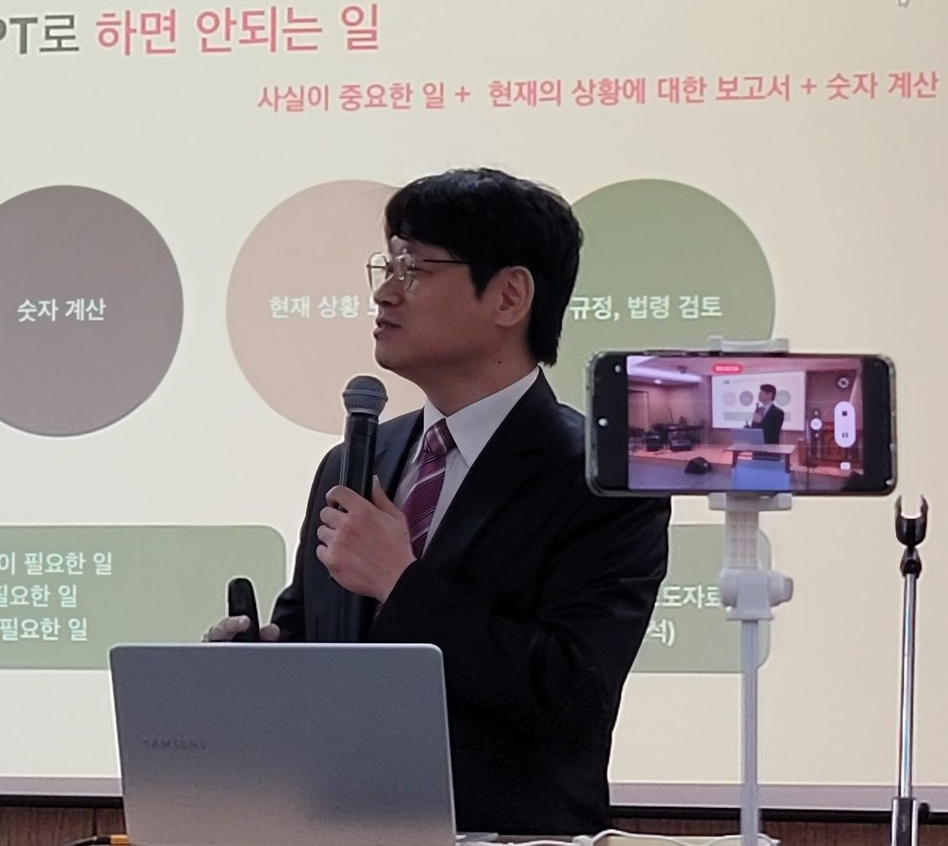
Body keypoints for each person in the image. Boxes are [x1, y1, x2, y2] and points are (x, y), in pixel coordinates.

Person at [205, 168, 670, 836]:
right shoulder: (354, 461)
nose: (385, 292)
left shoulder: (599, 477)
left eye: (415, 269)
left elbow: (573, 693)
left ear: (509, 295)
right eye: (386, 266)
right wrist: (260, 662)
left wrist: (402, 582)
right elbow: (314, 640)